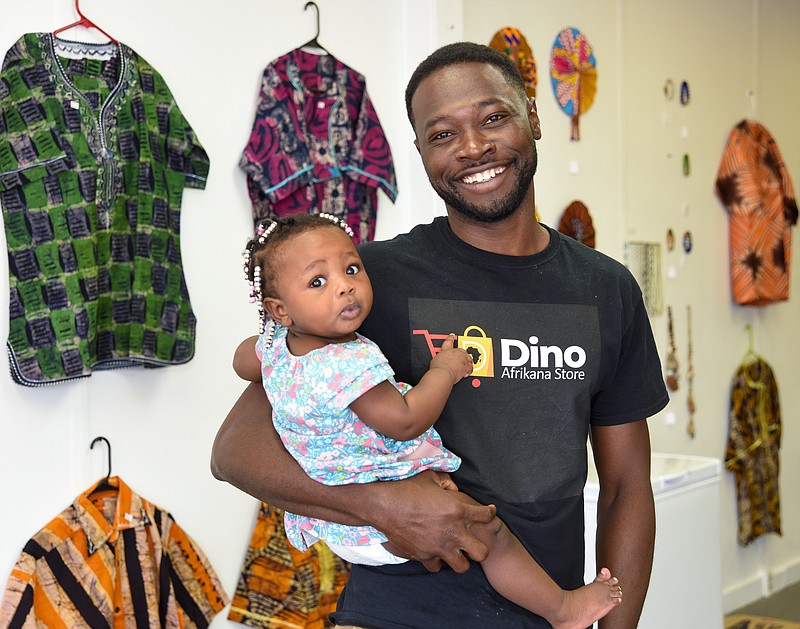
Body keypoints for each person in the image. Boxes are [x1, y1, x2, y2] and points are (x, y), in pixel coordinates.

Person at [212, 41, 669, 628]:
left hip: (546, 607)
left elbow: (628, 486)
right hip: (397, 612)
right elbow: (233, 452)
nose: (474, 147)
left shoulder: (606, 289)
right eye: (442, 134)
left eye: (493, 118)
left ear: (532, 116)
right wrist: (382, 507)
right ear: (423, 152)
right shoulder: (369, 286)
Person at [233, 211, 623, 628]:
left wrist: (273, 348)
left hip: (335, 523)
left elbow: (242, 360)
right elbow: (404, 421)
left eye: (350, 269)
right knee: (489, 534)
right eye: (317, 282)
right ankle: (563, 610)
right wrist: (446, 370)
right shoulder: (346, 363)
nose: (344, 286)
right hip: (382, 522)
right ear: (280, 308)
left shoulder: (277, 347)